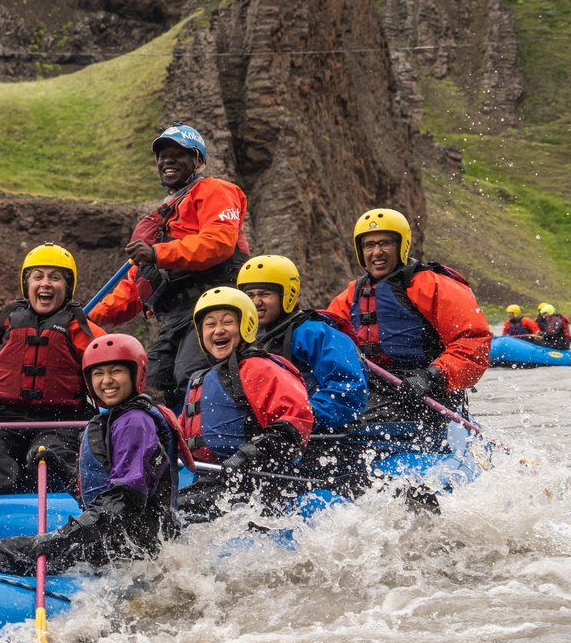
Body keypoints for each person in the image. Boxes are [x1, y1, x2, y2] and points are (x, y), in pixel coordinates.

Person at [0, 334, 183, 574]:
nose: (106, 381)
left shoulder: (135, 422)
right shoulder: (118, 419)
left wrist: (61, 537)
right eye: (98, 374)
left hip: (129, 549)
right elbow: (100, 492)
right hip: (122, 540)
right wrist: (61, 469)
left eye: (116, 371)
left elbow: (124, 501)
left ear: (136, 374)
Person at [88, 123, 250, 405]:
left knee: (190, 374)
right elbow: (134, 288)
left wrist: (158, 253)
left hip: (211, 304)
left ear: (197, 160)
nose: (167, 160)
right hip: (173, 317)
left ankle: (206, 445)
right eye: (162, 155)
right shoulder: (157, 222)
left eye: (178, 154)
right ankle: (163, 446)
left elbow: (219, 243)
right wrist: (88, 318)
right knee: (146, 388)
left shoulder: (215, 190)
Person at [326, 208, 490, 451]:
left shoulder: (434, 286)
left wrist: (432, 376)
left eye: (385, 243)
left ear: (401, 245)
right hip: (374, 394)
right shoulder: (349, 297)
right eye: (369, 245)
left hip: (429, 392)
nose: (377, 252)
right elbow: (325, 347)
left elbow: (473, 342)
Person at [0, 243, 106, 495]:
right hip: (3, 422)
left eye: (55, 277)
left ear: (67, 288)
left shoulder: (84, 332)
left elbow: (112, 381)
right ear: (27, 286)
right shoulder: (0, 327)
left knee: (46, 456)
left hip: (61, 423)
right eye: (38, 276)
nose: (45, 283)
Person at [237, 254, 369, 492]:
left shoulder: (314, 333)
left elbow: (348, 392)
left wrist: (299, 419)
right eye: (250, 295)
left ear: (286, 295)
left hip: (322, 446)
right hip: (276, 444)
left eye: (264, 294)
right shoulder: (251, 344)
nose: (256, 302)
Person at [178, 287, 314, 518]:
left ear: (246, 325)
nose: (218, 330)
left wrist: (246, 456)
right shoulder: (201, 379)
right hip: (211, 479)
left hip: (256, 484)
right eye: (210, 325)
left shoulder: (258, 368)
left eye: (227, 322)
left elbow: (294, 423)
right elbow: (179, 433)